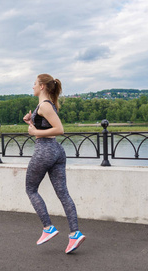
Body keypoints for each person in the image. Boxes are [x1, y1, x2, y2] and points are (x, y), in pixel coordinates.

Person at [23, 73, 85, 254]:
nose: (32, 86)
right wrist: (30, 121)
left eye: (34, 83)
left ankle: (48, 228)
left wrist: (34, 133)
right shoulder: (46, 105)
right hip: (56, 152)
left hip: (45, 151)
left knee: (31, 189)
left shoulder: (44, 105)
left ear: (42, 86)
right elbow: (45, 126)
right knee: (63, 193)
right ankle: (75, 234)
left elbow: (59, 129)